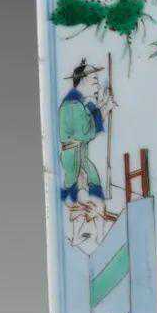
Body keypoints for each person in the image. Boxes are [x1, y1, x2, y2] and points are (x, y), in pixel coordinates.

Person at [58, 60, 113, 208]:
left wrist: (103, 104)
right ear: (82, 81)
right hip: (73, 155)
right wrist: (105, 109)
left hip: (79, 153)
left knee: (92, 176)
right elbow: (85, 132)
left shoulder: (79, 103)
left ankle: (96, 208)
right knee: (73, 185)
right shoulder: (72, 105)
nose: (98, 86)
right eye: (95, 81)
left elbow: (89, 114)